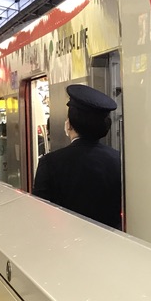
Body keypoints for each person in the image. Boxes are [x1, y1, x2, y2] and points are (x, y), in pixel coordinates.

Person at [32, 84, 121, 230]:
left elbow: (41, 214)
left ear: (69, 125)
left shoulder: (50, 163)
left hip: (65, 243)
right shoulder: (119, 160)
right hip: (111, 244)